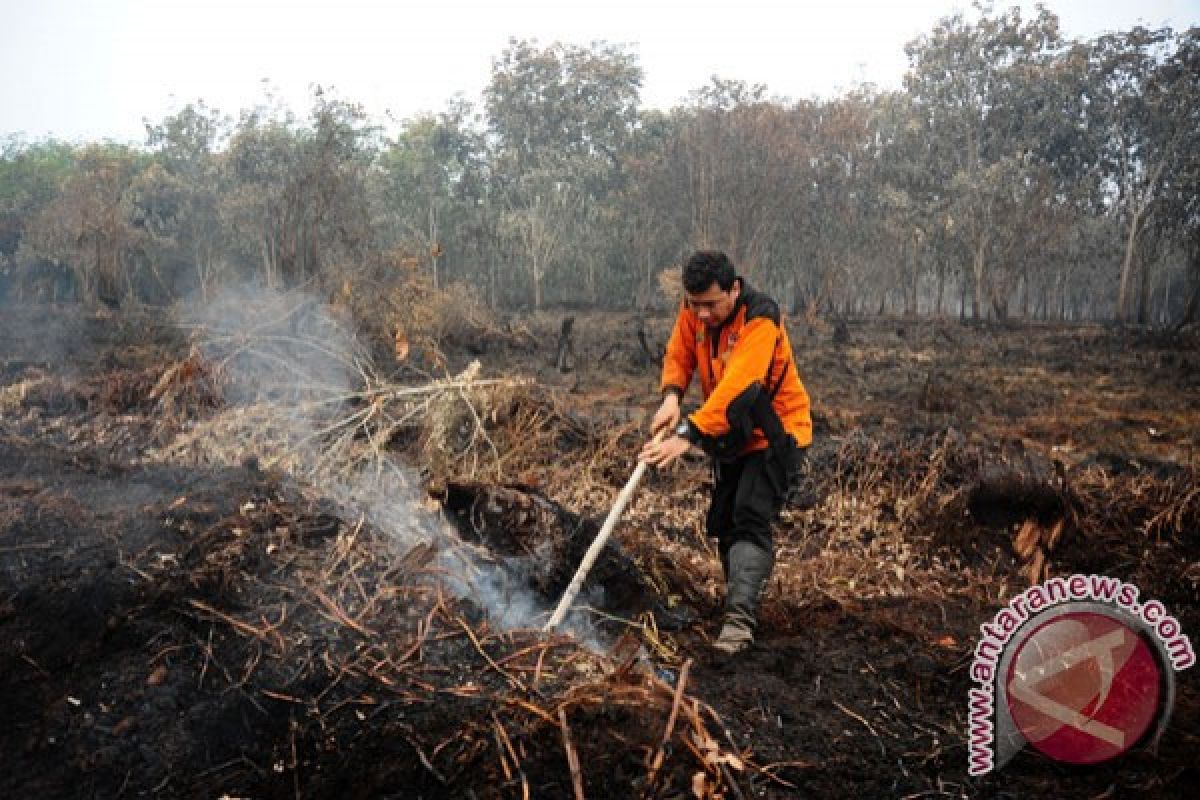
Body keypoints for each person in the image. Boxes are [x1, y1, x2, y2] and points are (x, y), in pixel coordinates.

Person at [639, 250, 811, 654]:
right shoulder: (695, 309)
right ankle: (739, 601)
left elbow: (739, 385)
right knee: (724, 520)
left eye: (710, 305)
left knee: (750, 516)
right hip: (731, 433)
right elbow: (680, 353)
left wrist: (688, 434)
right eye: (694, 305)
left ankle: (739, 624)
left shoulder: (761, 318)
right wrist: (671, 396)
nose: (701, 315)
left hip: (775, 433)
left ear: (734, 289)